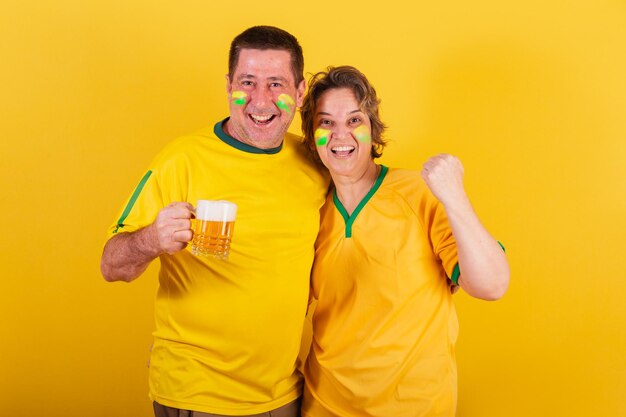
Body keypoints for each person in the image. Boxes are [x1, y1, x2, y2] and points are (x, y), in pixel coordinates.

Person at [100, 26, 328, 417]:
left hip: (283, 394)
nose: (260, 100)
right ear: (228, 86)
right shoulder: (181, 160)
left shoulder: (314, 163)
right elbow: (111, 265)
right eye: (247, 82)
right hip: (195, 393)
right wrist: (151, 239)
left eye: (276, 84)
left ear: (301, 91)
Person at [299, 66, 510, 417]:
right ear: (311, 136)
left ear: (372, 129)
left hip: (414, 407)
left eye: (354, 121)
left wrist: (454, 196)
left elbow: (492, 285)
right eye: (325, 123)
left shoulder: (418, 193)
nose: (340, 135)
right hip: (323, 404)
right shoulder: (311, 210)